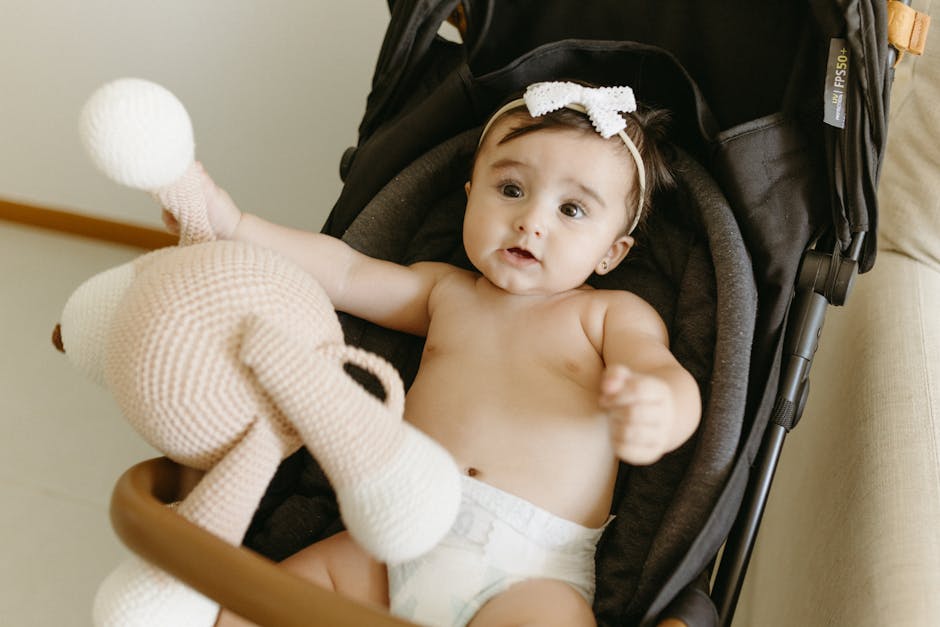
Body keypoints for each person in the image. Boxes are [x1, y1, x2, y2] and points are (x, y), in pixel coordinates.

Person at [180, 81, 701, 627]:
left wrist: (661, 409)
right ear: (470, 193)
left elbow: (660, 370)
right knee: (259, 603)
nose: (532, 220)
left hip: (529, 573)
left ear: (611, 253)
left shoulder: (609, 315)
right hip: (395, 536)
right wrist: (234, 226)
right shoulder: (444, 292)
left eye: (571, 209)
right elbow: (344, 272)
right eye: (511, 189)